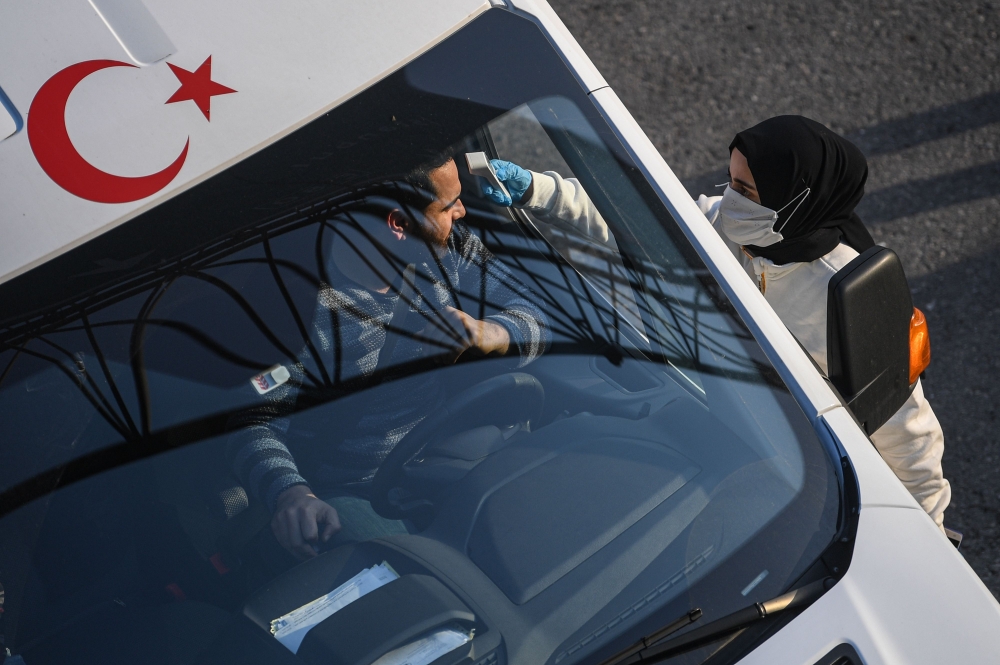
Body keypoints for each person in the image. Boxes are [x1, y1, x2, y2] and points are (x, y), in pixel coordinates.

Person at [228, 153, 552, 559]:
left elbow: (541, 313)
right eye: (450, 206)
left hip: (438, 451)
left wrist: (494, 333)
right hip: (353, 490)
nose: (463, 212)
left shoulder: (450, 247)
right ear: (399, 223)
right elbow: (250, 422)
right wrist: (293, 496)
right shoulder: (297, 314)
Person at [695, 115, 951, 531]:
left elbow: (906, 435)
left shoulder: (849, 299)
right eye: (730, 181)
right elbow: (632, 215)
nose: (730, 201)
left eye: (746, 190)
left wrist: (929, 530)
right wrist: (555, 196)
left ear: (795, 199)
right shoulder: (727, 228)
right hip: (751, 445)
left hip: (823, 493)